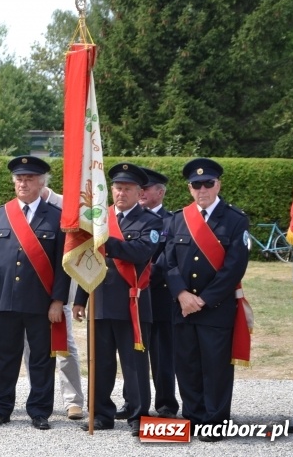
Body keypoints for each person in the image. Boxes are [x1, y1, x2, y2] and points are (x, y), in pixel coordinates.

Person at [0, 156, 69, 430]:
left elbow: (62, 265)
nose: (23, 183)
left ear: (42, 182)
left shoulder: (56, 217)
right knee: (5, 357)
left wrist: (58, 300)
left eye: (29, 178)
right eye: (19, 178)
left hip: (41, 302)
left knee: (42, 359)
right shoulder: (0, 214)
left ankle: (40, 411)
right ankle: (1, 408)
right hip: (6, 298)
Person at [164, 158, 250, 442]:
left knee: (215, 367)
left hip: (215, 308)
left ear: (218, 184)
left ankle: (215, 421)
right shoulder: (178, 219)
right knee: (186, 365)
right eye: (196, 184)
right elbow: (168, 261)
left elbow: (234, 267)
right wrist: (181, 294)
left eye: (208, 183)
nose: (202, 189)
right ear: (190, 188)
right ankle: (193, 416)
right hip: (183, 308)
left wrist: (203, 300)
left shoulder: (235, 219)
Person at [72, 162, 161, 436]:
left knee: (134, 365)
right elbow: (87, 261)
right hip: (100, 298)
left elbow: (140, 252)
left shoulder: (151, 222)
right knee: (101, 363)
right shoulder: (100, 218)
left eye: (127, 189)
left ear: (139, 192)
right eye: (117, 188)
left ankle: (138, 415)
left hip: (131, 302)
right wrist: (79, 299)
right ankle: (101, 414)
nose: (121, 193)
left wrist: (105, 240)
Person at [115, 167, 178, 420]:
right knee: (132, 353)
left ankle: (165, 403)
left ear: (159, 192)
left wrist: (148, 274)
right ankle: (131, 402)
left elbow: (167, 257)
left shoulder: (172, 221)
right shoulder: (123, 217)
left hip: (158, 294)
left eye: (147, 188)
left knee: (162, 354)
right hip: (130, 294)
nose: (141, 192)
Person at [21, 188, 85, 421]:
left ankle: (73, 400)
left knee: (64, 344)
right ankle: (37, 393)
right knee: (30, 346)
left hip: (58, 290)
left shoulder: (65, 205)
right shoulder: (17, 207)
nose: (25, 182)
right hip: (29, 293)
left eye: (31, 177)